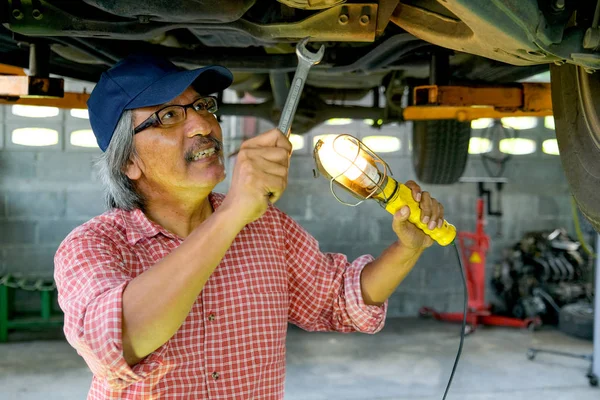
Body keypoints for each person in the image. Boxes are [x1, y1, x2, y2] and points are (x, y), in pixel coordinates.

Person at [54, 54, 446, 400]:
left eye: (203, 106)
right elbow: (117, 342)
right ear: (128, 163)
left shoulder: (265, 226)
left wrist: (406, 249)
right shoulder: (92, 245)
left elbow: (340, 300)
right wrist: (232, 214)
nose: (202, 125)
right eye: (170, 116)